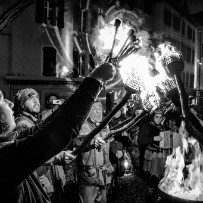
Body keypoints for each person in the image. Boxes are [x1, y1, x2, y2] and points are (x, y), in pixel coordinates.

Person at [0, 63, 116, 203]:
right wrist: (95, 79)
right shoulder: (4, 155)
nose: (10, 103)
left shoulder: (9, 141)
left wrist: (95, 83)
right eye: (1, 99)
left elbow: (46, 125)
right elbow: (55, 132)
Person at [74, 100, 114, 203]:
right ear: (87, 111)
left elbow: (107, 147)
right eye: (94, 108)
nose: (98, 111)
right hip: (89, 175)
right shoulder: (82, 125)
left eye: (100, 108)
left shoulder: (105, 126)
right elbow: (79, 141)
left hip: (103, 174)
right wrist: (92, 143)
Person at [137, 110, 163, 176]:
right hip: (148, 155)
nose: (159, 119)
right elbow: (140, 140)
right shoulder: (147, 126)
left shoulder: (162, 127)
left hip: (159, 153)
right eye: (157, 117)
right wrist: (153, 138)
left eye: (160, 117)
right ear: (153, 117)